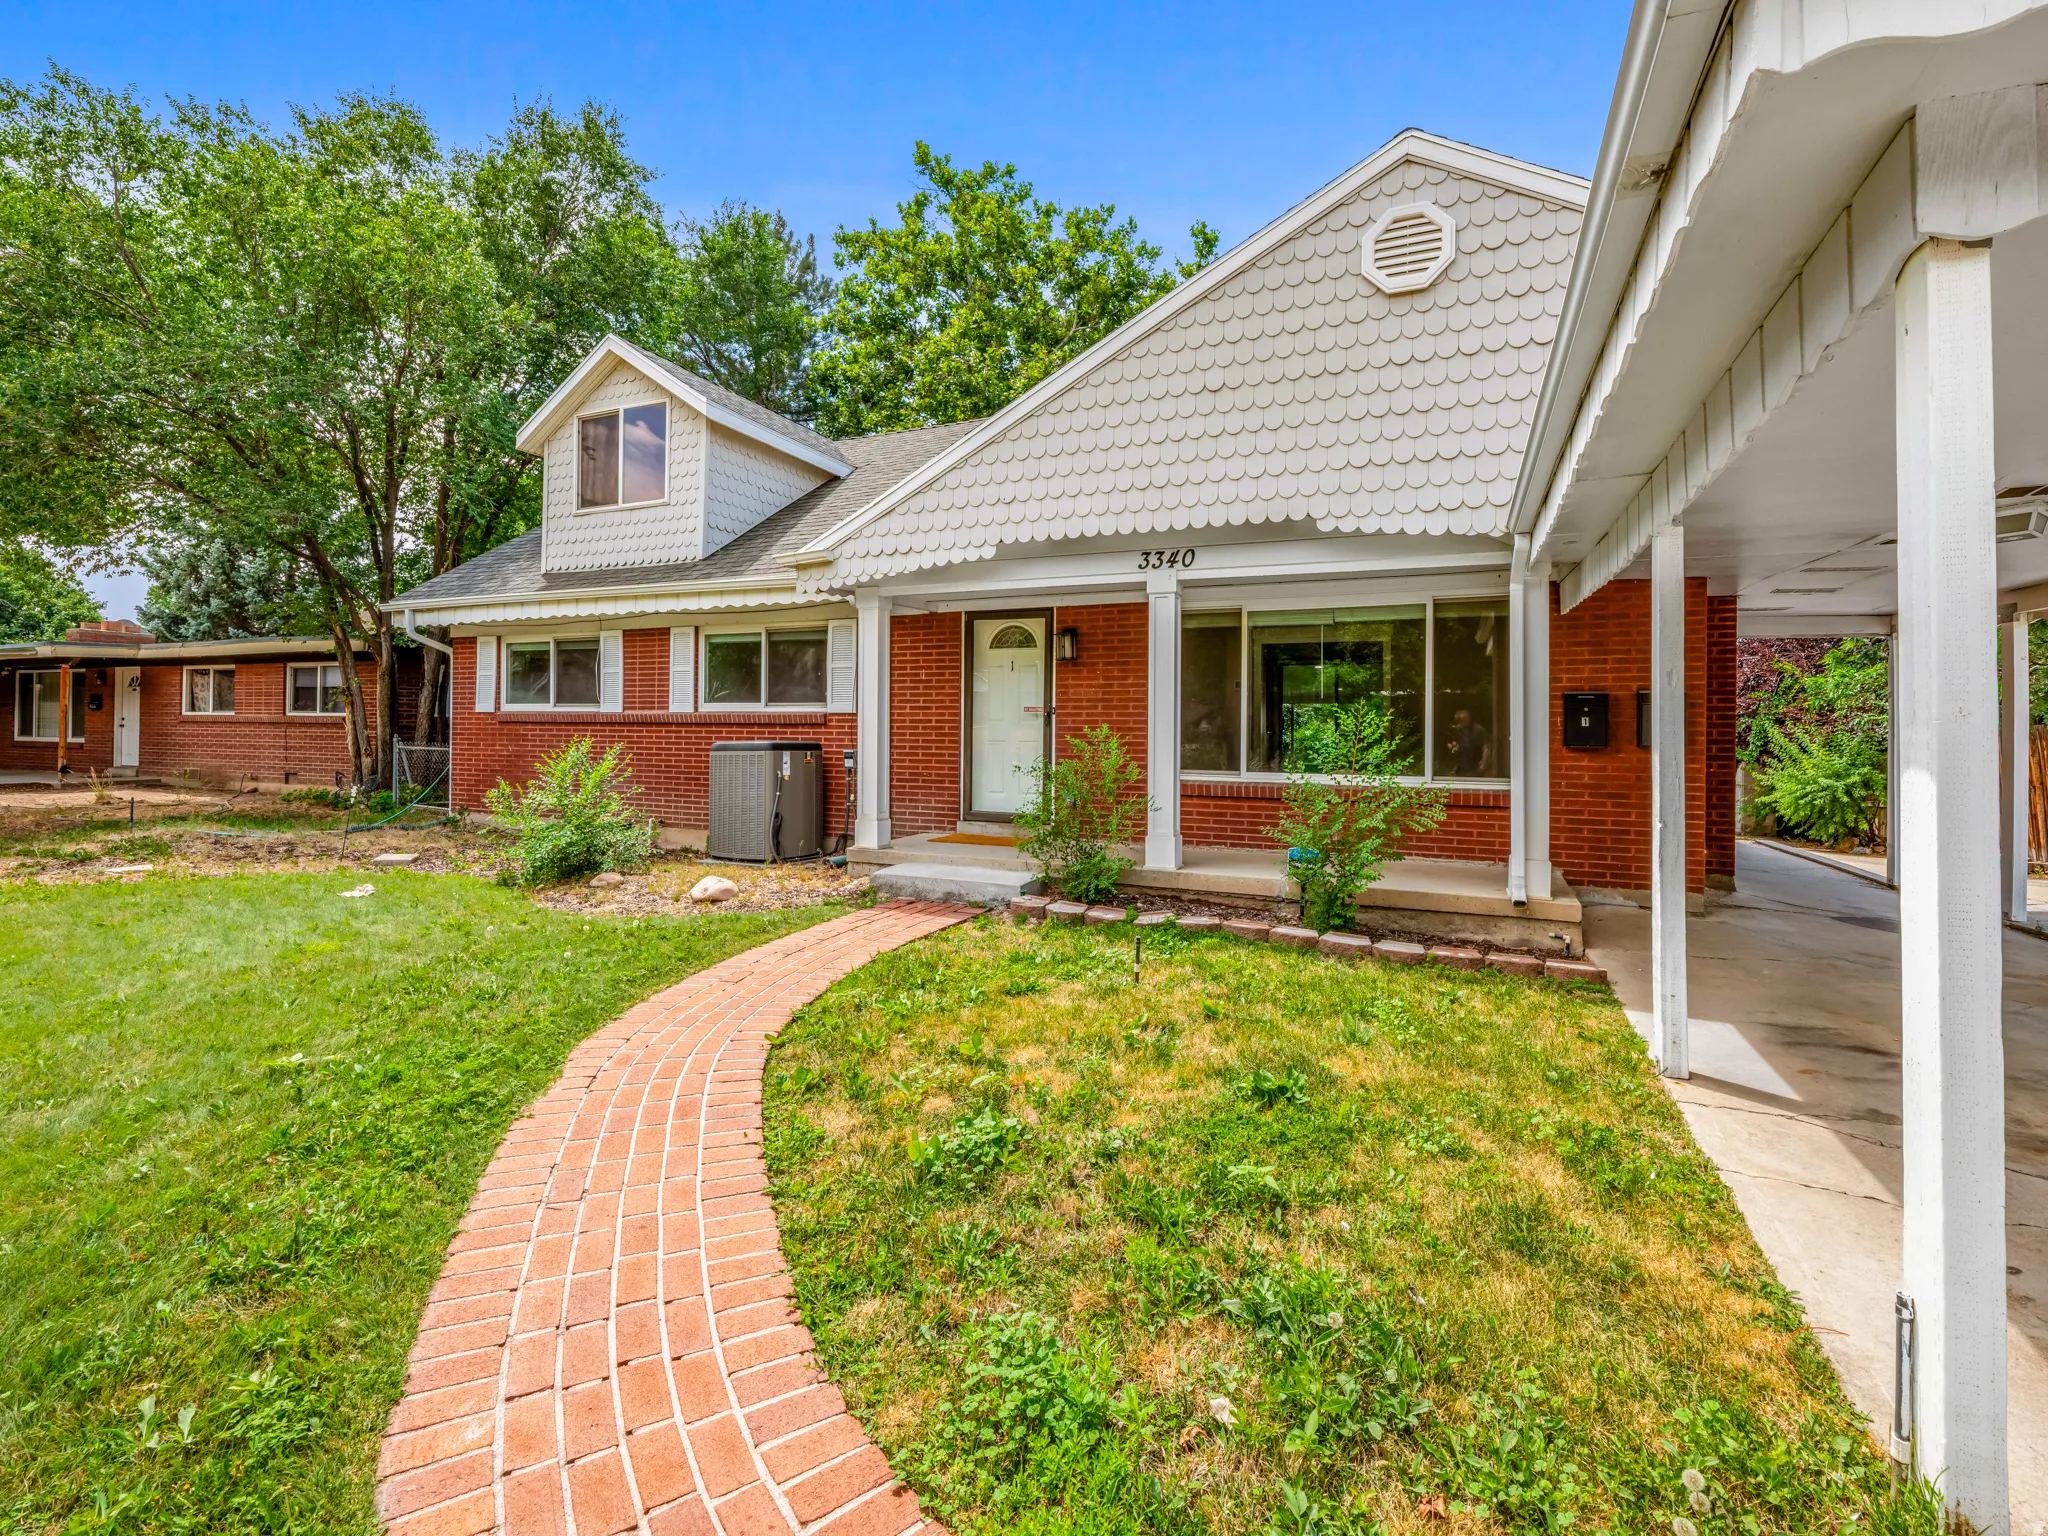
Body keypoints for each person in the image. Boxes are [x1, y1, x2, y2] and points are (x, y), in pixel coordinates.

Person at [1444, 707, 1492, 777]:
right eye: (1457, 721)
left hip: (1475, 766)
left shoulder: (1478, 730)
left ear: (1468, 719)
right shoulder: (1457, 730)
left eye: (1462, 721)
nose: (1459, 724)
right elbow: (1450, 742)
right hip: (1460, 767)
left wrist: (1483, 763)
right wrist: (1452, 747)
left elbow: (1486, 746)